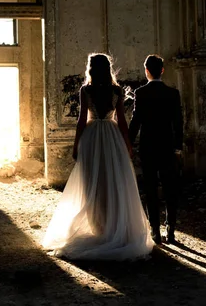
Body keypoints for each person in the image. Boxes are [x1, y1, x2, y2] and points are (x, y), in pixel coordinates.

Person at [42, 53, 154, 260]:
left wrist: (76, 145)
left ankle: (99, 227)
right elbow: (121, 121)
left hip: (92, 137)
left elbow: (81, 120)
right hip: (112, 138)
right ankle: (112, 225)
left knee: (92, 182)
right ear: (108, 68)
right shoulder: (116, 91)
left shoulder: (86, 90)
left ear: (91, 68)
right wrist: (128, 145)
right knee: (113, 180)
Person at [129, 54, 183, 244]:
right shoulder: (173, 93)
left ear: (146, 71)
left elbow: (136, 122)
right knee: (170, 188)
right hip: (167, 146)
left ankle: (155, 231)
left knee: (150, 188)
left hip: (148, 146)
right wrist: (178, 147)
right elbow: (178, 123)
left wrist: (127, 142)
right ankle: (171, 230)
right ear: (162, 70)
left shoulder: (141, 93)